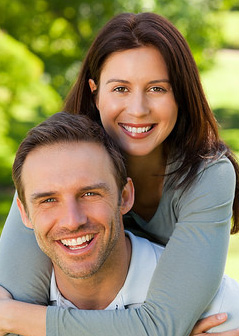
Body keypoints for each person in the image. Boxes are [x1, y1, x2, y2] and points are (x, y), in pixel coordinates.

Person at [0, 12, 239, 336]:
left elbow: (160, 326)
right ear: (95, 92)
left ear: (180, 95)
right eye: (121, 89)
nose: (138, 109)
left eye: (156, 88)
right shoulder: (50, 163)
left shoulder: (208, 174)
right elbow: (11, 304)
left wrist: (15, 319)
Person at [0, 112, 239, 336]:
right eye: (49, 200)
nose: (73, 221)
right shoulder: (10, 299)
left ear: (124, 197)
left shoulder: (216, 310)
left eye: (90, 194)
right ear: (25, 214)